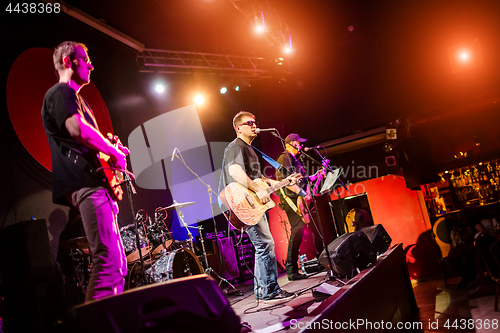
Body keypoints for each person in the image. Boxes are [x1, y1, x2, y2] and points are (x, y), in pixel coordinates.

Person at [41, 41, 129, 302]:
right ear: (69, 62)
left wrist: (110, 149)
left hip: (95, 182)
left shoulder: (78, 99)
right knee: (107, 262)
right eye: (85, 59)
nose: (91, 64)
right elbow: (76, 129)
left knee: (117, 264)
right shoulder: (61, 92)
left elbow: (87, 142)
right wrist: (114, 153)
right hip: (86, 183)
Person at [219, 111, 296, 302]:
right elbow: (235, 171)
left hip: (253, 202)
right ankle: (270, 290)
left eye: (255, 122)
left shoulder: (251, 150)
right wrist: (256, 188)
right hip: (244, 202)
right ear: (238, 128)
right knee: (265, 244)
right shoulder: (236, 146)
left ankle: (263, 290)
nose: (254, 125)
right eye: (249, 123)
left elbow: (257, 179)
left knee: (262, 245)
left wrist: (281, 182)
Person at [276, 134, 326, 281]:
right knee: (297, 231)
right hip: (291, 200)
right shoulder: (284, 157)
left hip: (300, 199)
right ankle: (291, 270)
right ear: (292, 143)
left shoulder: (295, 160)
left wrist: (316, 176)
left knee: (313, 227)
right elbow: (284, 181)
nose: (301, 145)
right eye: (299, 142)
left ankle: (322, 260)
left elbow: (303, 180)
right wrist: (303, 194)